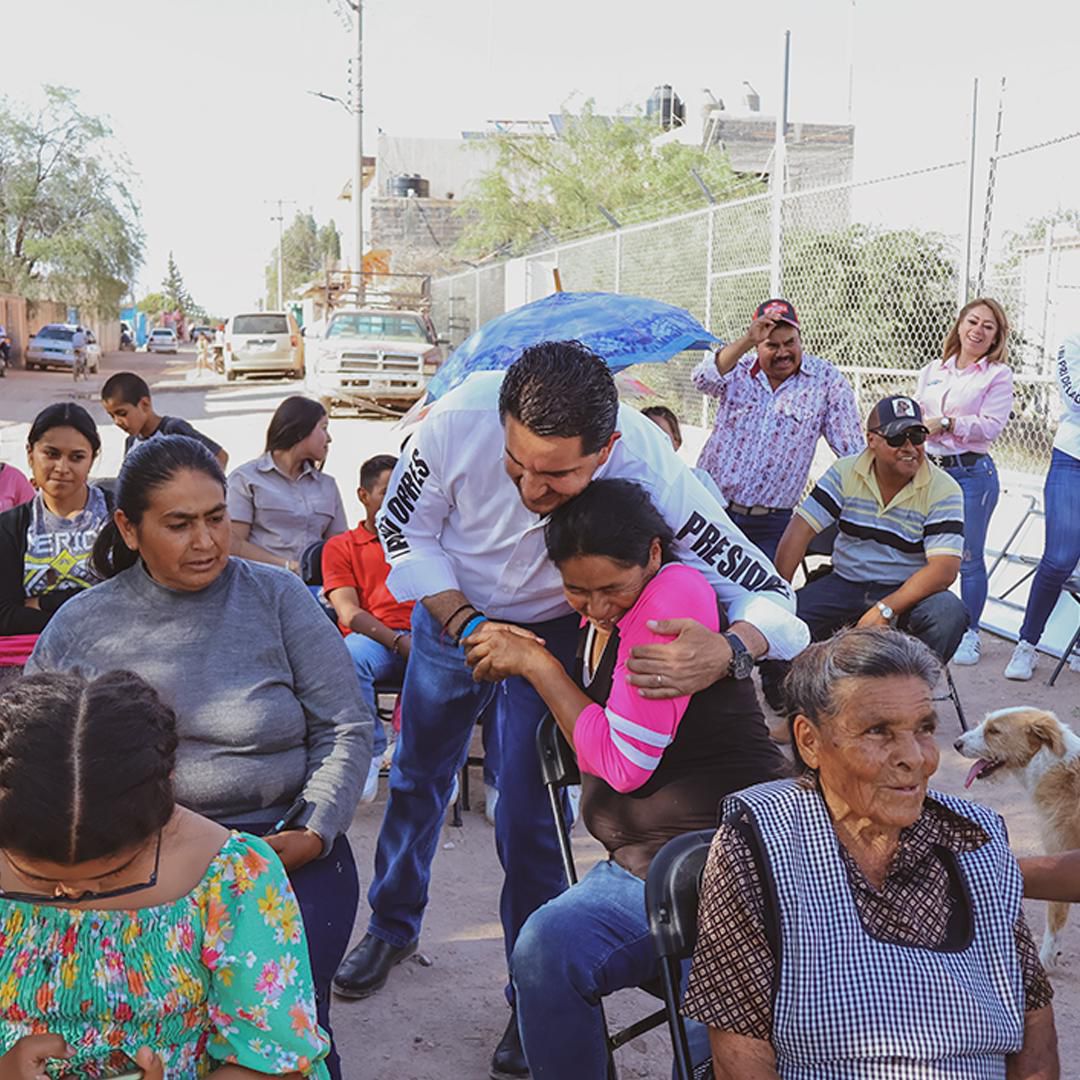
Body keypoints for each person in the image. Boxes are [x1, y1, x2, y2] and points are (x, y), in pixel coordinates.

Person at [333, 341, 807, 1080]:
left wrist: (731, 649)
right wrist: (464, 621)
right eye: (516, 464)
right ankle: (392, 924)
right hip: (449, 614)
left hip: (558, 631)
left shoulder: (653, 471)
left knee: (529, 816)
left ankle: (528, 995)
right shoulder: (453, 421)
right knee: (418, 778)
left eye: (556, 476)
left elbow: (773, 596)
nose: (531, 487)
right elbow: (404, 532)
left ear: (607, 451)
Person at [25, 435, 371, 1080]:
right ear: (128, 528)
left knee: (288, 1039)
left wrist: (313, 830)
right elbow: (36, 756)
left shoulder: (279, 599)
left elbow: (347, 727)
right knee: (143, 1038)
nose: (207, 541)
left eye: (216, 518)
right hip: (126, 861)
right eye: (179, 524)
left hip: (281, 847)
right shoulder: (81, 623)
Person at [464, 479, 787, 1079]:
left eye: (612, 588)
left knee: (716, 1019)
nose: (595, 607)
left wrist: (538, 665)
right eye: (577, 590)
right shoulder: (610, 614)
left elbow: (621, 762)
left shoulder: (672, 597)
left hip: (728, 866)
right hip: (642, 866)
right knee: (545, 948)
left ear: (654, 554)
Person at [684, 627, 1059, 1080]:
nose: (915, 758)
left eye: (924, 729)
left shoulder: (976, 840)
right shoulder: (760, 843)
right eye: (878, 731)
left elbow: (1034, 1035)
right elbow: (740, 1060)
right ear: (809, 741)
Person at [0, 669, 332, 1079]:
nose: (72, 893)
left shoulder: (231, 879)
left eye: (114, 875)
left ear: (164, 808)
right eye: (38, 881)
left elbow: (276, 1061)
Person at [764, 395, 968, 710]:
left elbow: (944, 570)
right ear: (872, 440)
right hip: (845, 581)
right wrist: (779, 596)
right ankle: (797, 708)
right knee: (778, 620)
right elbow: (799, 531)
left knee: (948, 613)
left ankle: (900, 702)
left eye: (917, 436)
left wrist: (885, 610)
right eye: (897, 437)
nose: (909, 447)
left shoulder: (944, 488)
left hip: (906, 590)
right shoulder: (845, 472)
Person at [691, 298, 864, 559]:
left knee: (763, 584)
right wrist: (746, 340)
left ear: (800, 338)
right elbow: (702, 380)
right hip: (711, 507)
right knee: (697, 580)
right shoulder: (738, 369)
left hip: (770, 525)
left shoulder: (826, 381)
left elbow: (851, 449)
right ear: (757, 345)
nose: (783, 352)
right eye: (772, 345)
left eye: (790, 343)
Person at [915, 298, 1013, 666]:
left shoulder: (997, 375)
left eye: (988, 326)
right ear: (959, 325)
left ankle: (970, 633)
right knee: (921, 552)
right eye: (973, 321)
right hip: (929, 471)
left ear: (996, 337)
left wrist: (948, 423)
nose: (978, 330)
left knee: (968, 557)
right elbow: (917, 412)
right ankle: (924, 624)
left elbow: (991, 426)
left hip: (971, 474)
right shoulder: (933, 370)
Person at [322, 453, 413, 801]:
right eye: (388, 492)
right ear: (363, 496)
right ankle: (371, 751)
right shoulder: (341, 546)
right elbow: (348, 613)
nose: (398, 499)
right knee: (349, 655)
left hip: (425, 636)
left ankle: (418, 751)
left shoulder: (424, 540)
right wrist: (398, 642)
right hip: (375, 641)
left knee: (452, 657)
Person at [1004, 332, 1080, 681]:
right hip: (1073, 459)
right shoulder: (1073, 341)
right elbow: (1075, 397)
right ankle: (1027, 643)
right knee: (1060, 558)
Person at [0, 404, 110, 637]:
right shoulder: (8, 528)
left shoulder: (118, 517)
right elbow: (5, 616)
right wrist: (94, 609)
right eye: (51, 454)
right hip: (35, 657)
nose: (62, 468)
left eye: (76, 457)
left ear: (92, 460)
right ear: (30, 454)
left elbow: (134, 600)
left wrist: (44, 603)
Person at [228, 396, 347, 574]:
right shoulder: (246, 479)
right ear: (301, 431)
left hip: (315, 585)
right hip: (259, 580)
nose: (329, 439)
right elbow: (232, 543)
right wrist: (287, 567)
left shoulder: (327, 485)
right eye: (324, 428)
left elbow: (339, 545)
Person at [101, 370, 229, 468]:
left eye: (122, 413)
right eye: (112, 416)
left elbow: (219, 457)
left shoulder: (173, 430)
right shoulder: (131, 443)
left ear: (144, 404)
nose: (117, 422)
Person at [640, 404, 728, 506]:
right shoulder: (629, 481)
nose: (653, 441)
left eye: (661, 435)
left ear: (676, 441)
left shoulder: (699, 480)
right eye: (647, 434)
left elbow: (717, 514)